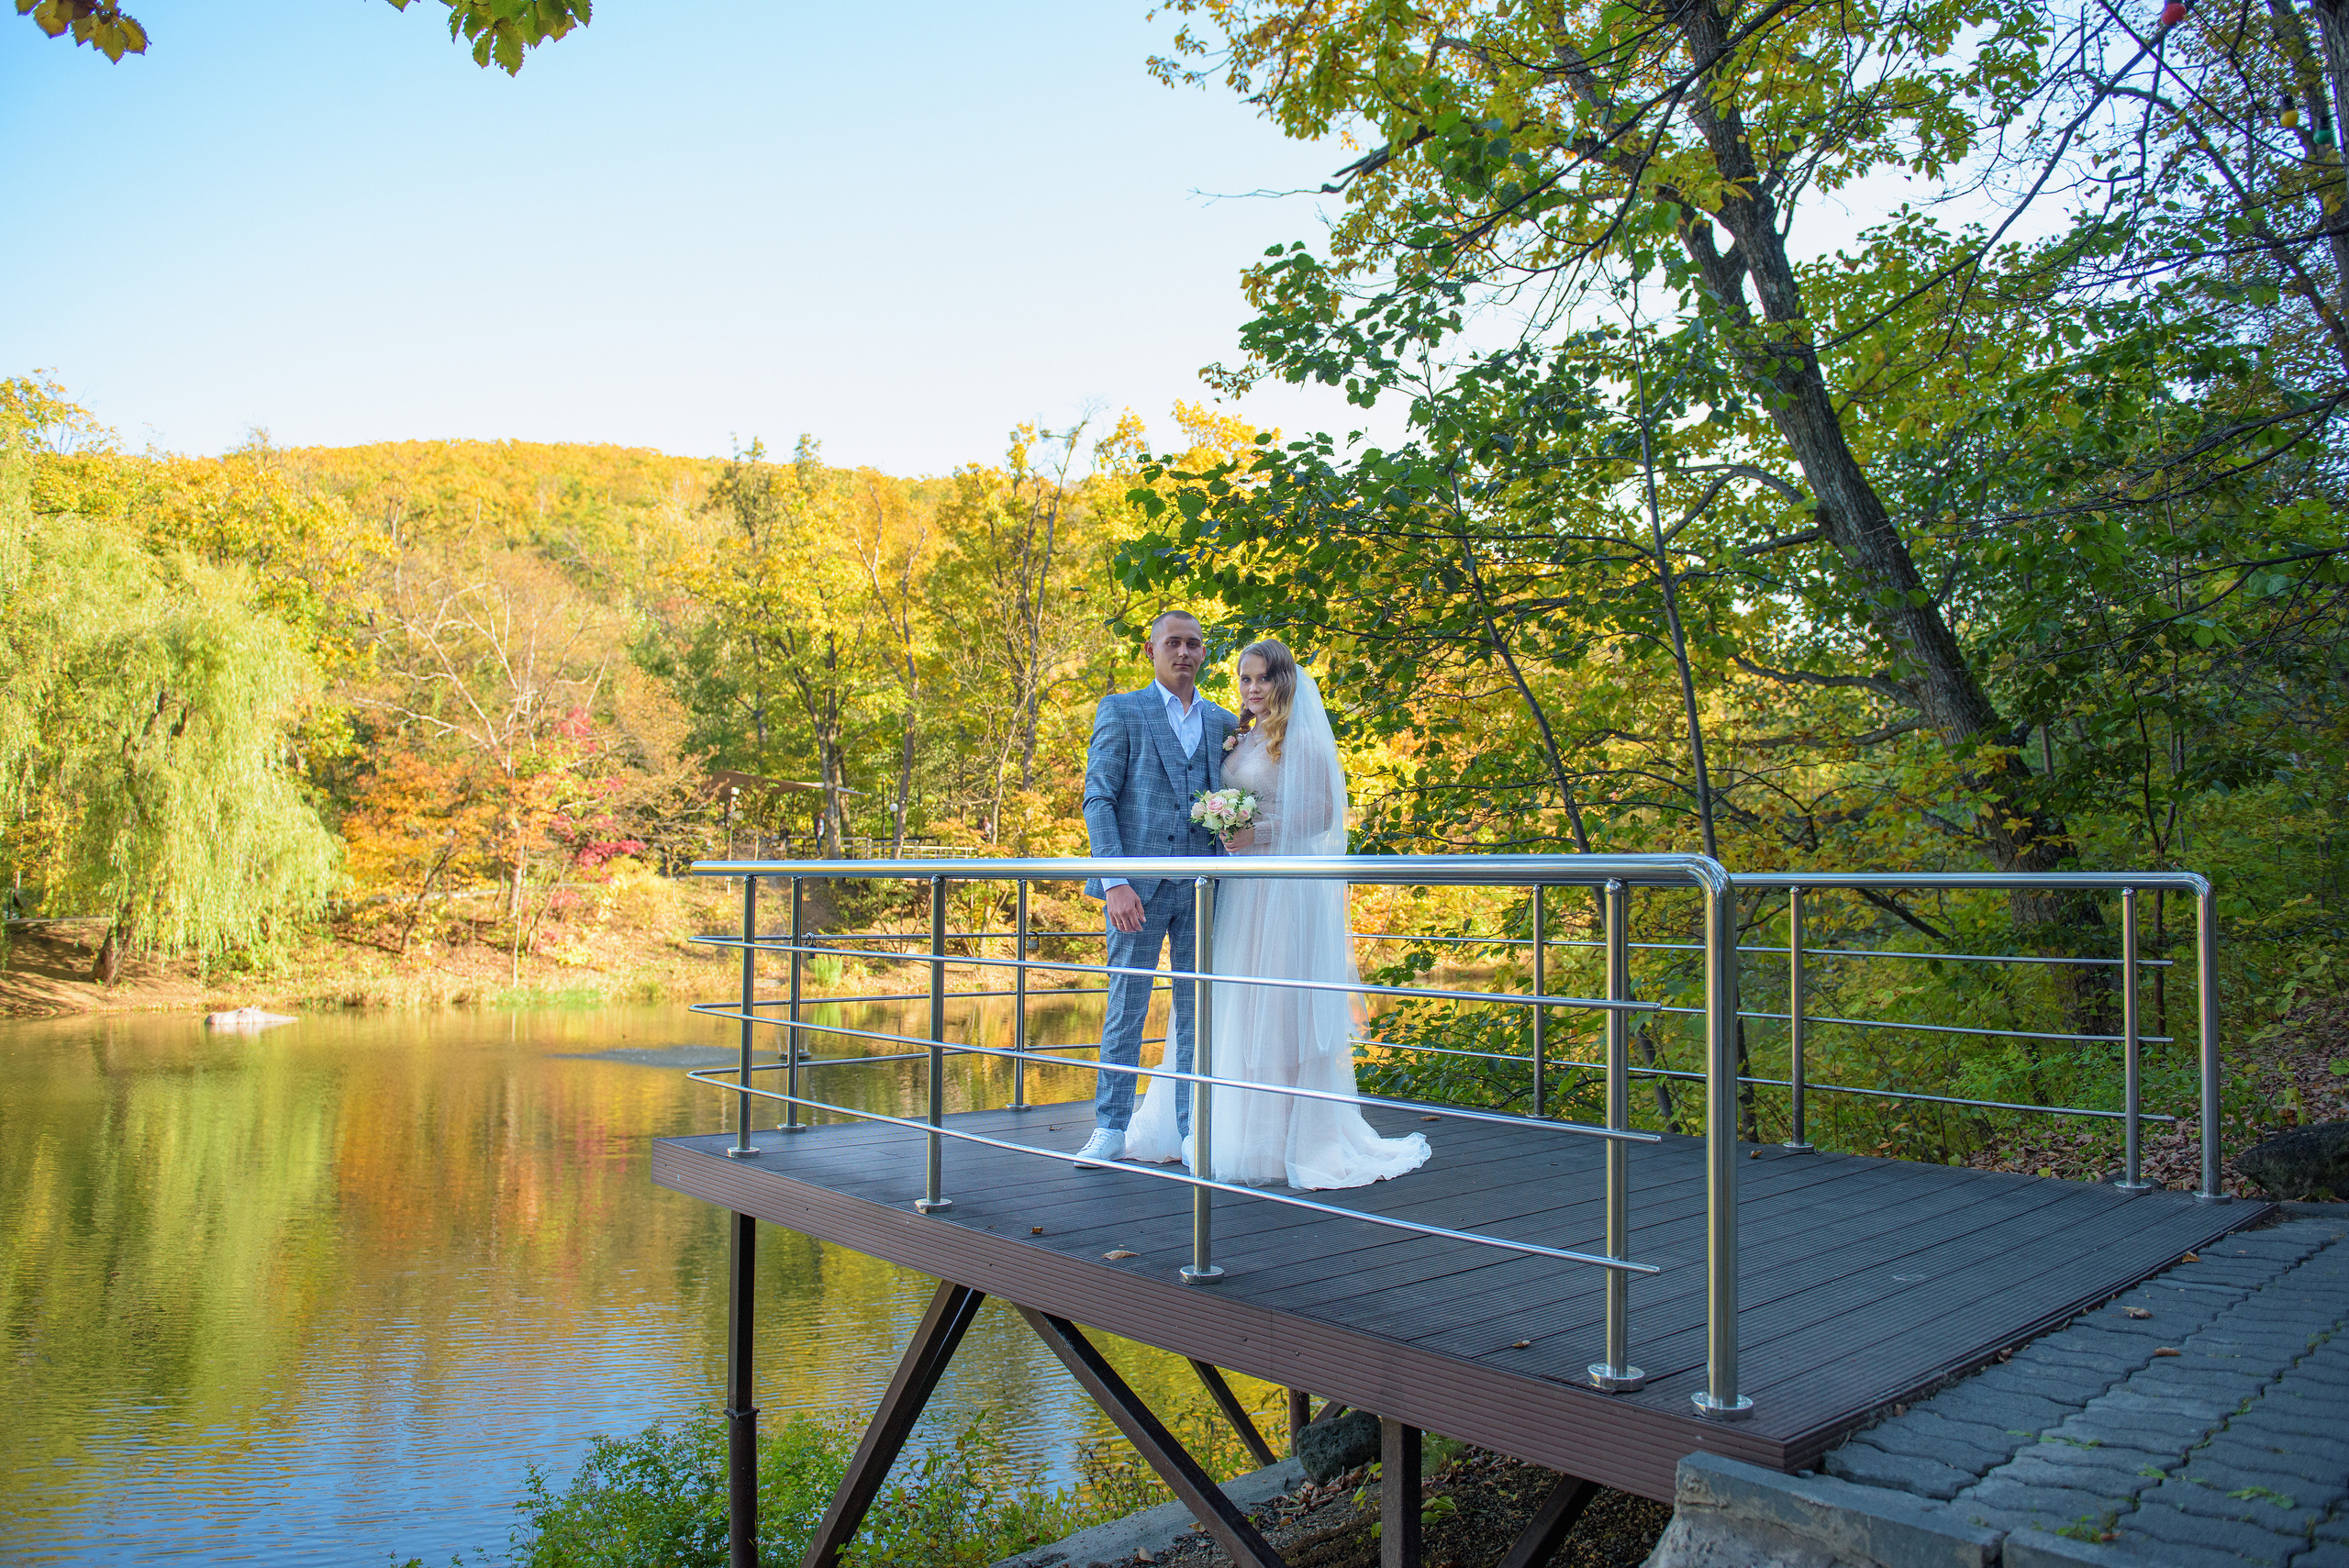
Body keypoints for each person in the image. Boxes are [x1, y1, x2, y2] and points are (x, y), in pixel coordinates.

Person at [1123, 639, 1431, 1190]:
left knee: (1278, 1005)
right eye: (1244, 679)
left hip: (1281, 891)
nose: (1252, 689)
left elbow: (1317, 817)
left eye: (1262, 678)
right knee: (1228, 1001)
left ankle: (1286, 1139)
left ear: (1283, 682)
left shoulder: (1301, 744)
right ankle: (1213, 1127)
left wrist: (1255, 832)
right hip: (1237, 890)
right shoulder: (1238, 738)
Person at [1072, 610, 1237, 1168]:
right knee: (1127, 1006)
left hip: (1201, 889)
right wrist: (1115, 881)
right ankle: (1110, 1127)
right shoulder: (1121, 710)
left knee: (1195, 1011)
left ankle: (1192, 1134)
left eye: (1193, 644)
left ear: (1204, 654)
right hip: (1135, 891)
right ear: (1152, 650)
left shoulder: (1220, 721)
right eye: (1174, 643)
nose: (1184, 652)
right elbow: (1098, 798)